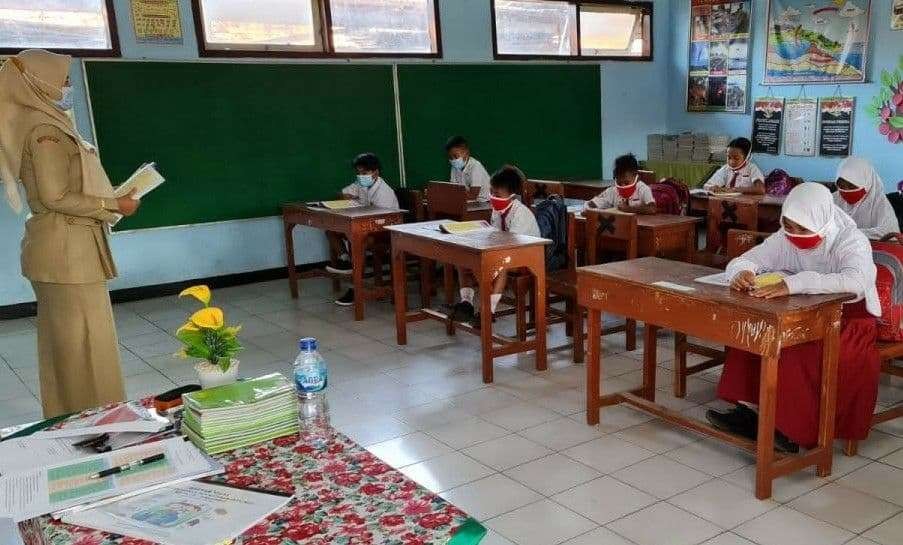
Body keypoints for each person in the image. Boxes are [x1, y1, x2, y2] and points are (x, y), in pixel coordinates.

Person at [0, 49, 141, 417]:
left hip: (61, 249)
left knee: (67, 347)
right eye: (62, 78)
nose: (67, 86)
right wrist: (113, 205)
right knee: (87, 347)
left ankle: (70, 418)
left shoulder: (39, 121)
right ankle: (98, 423)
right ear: (39, 80)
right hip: (68, 255)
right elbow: (55, 195)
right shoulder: (45, 131)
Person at [707, 183, 880, 453]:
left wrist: (795, 283)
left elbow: (856, 281)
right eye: (789, 225)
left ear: (822, 218)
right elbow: (748, 259)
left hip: (848, 320)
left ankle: (788, 429)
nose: (794, 234)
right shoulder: (786, 235)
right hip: (803, 310)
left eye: (803, 229)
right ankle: (750, 412)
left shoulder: (850, 240)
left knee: (794, 347)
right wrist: (741, 272)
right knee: (753, 330)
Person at [450, 165, 540, 323]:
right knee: (463, 259)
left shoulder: (521, 214)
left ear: (512, 196)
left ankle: (488, 311)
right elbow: (496, 236)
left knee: (500, 266)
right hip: (504, 252)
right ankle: (466, 303)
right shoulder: (498, 210)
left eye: (496, 193)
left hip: (527, 258)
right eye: (491, 192)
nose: (492, 197)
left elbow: (510, 244)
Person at [326, 152, 398, 306]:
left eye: (364, 173)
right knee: (331, 230)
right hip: (364, 227)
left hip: (384, 232)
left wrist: (358, 208)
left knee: (360, 241)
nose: (360, 176)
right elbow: (342, 193)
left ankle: (355, 289)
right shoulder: (361, 184)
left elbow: (380, 220)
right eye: (358, 173)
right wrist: (345, 198)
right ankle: (346, 261)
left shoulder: (384, 191)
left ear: (376, 172)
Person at [833, 156, 900, 240]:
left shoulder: (878, 202)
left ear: (867, 184)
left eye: (851, 186)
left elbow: (889, 232)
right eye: (841, 186)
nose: (846, 190)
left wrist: (848, 233)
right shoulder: (832, 199)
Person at [585, 153, 656, 214]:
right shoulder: (612, 191)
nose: (623, 185)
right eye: (619, 182)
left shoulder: (643, 189)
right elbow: (592, 203)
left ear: (635, 175)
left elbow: (652, 208)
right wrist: (588, 209)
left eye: (626, 182)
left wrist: (629, 209)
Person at [446, 135, 491, 202]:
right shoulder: (454, 167)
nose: (453, 160)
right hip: (470, 202)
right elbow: (454, 189)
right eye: (450, 157)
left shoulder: (476, 166)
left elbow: (473, 196)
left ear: (466, 152)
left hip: (485, 203)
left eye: (456, 156)